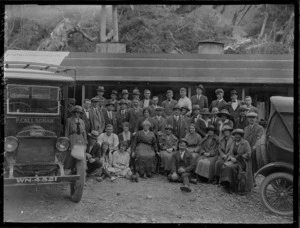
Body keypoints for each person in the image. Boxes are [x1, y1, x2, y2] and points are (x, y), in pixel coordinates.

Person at [220, 129, 253, 194]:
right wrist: (231, 157)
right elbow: (230, 152)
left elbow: (248, 153)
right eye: (235, 137)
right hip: (233, 160)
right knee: (224, 166)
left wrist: (237, 158)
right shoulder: (233, 142)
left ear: (241, 137)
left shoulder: (245, 143)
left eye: (238, 137)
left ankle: (233, 187)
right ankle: (226, 184)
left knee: (231, 168)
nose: (237, 138)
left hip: (242, 162)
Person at [244, 112, 264, 182]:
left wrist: (254, 146)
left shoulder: (259, 128)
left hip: (255, 148)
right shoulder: (246, 128)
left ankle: (251, 180)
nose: (251, 119)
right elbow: (244, 139)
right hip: (247, 148)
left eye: (253, 118)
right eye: (249, 118)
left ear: (256, 119)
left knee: (250, 159)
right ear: (247, 119)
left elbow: (259, 139)